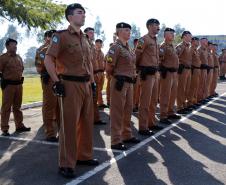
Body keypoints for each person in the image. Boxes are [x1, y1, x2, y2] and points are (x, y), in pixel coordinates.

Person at [44, 3, 99, 178]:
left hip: (85, 85)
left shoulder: (85, 39)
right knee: (68, 125)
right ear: (70, 17)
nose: (83, 15)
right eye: (79, 13)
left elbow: (89, 62)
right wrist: (56, 81)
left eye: (84, 13)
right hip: (69, 84)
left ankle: (84, 156)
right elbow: (48, 59)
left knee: (86, 122)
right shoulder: (60, 37)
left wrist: (92, 82)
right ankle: (66, 164)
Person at [106, 22, 140, 150]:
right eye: (126, 30)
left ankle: (126, 135)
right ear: (119, 32)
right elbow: (108, 67)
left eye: (129, 30)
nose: (129, 32)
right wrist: (115, 78)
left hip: (129, 82)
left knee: (127, 110)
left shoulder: (129, 48)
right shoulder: (115, 48)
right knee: (117, 111)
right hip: (119, 82)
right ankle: (115, 140)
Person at [135, 18, 162, 134]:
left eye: (158, 25)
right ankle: (143, 127)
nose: (158, 27)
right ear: (150, 26)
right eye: (156, 25)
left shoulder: (155, 40)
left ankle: (151, 122)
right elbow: (137, 56)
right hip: (146, 73)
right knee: (145, 101)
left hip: (155, 73)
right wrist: (140, 69)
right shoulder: (143, 39)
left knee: (153, 100)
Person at [0, 38, 31, 136]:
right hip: (8, 85)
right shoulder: (3, 58)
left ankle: (19, 125)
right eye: (13, 45)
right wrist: (3, 80)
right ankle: (4, 128)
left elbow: (21, 69)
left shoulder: (19, 57)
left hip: (18, 85)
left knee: (17, 107)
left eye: (16, 45)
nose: (15, 46)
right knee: (6, 107)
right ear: (7, 46)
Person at [35, 30, 59, 142]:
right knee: (49, 106)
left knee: (60, 107)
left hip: (61, 80)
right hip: (49, 80)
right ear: (48, 38)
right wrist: (47, 73)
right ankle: (50, 133)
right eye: (52, 37)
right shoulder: (43, 51)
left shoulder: (61, 49)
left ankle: (61, 132)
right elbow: (39, 68)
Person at [159, 28, 181, 124]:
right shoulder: (163, 46)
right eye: (170, 33)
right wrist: (162, 69)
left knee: (173, 94)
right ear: (165, 35)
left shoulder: (172, 46)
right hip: (167, 73)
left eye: (173, 33)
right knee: (165, 94)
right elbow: (159, 59)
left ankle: (170, 112)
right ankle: (163, 115)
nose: (173, 35)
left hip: (174, 73)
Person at [84, 27, 106, 125]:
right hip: (86, 76)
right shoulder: (83, 44)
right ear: (85, 34)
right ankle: (88, 119)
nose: (92, 34)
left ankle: (95, 119)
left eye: (93, 32)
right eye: (90, 33)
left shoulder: (92, 46)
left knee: (94, 96)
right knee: (87, 98)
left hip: (94, 75)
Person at [176, 31, 193, 114]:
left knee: (187, 88)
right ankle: (179, 107)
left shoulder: (189, 46)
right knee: (181, 88)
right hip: (182, 70)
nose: (191, 37)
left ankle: (184, 104)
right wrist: (179, 65)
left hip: (188, 69)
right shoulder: (180, 46)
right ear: (184, 36)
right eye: (189, 36)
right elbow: (176, 56)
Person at [187, 37, 201, 107]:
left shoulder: (196, 49)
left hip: (197, 69)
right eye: (197, 41)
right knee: (192, 87)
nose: (198, 42)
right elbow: (189, 59)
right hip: (193, 69)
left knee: (195, 86)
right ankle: (190, 102)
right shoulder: (191, 49)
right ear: (193, 41)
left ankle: (193, 101)